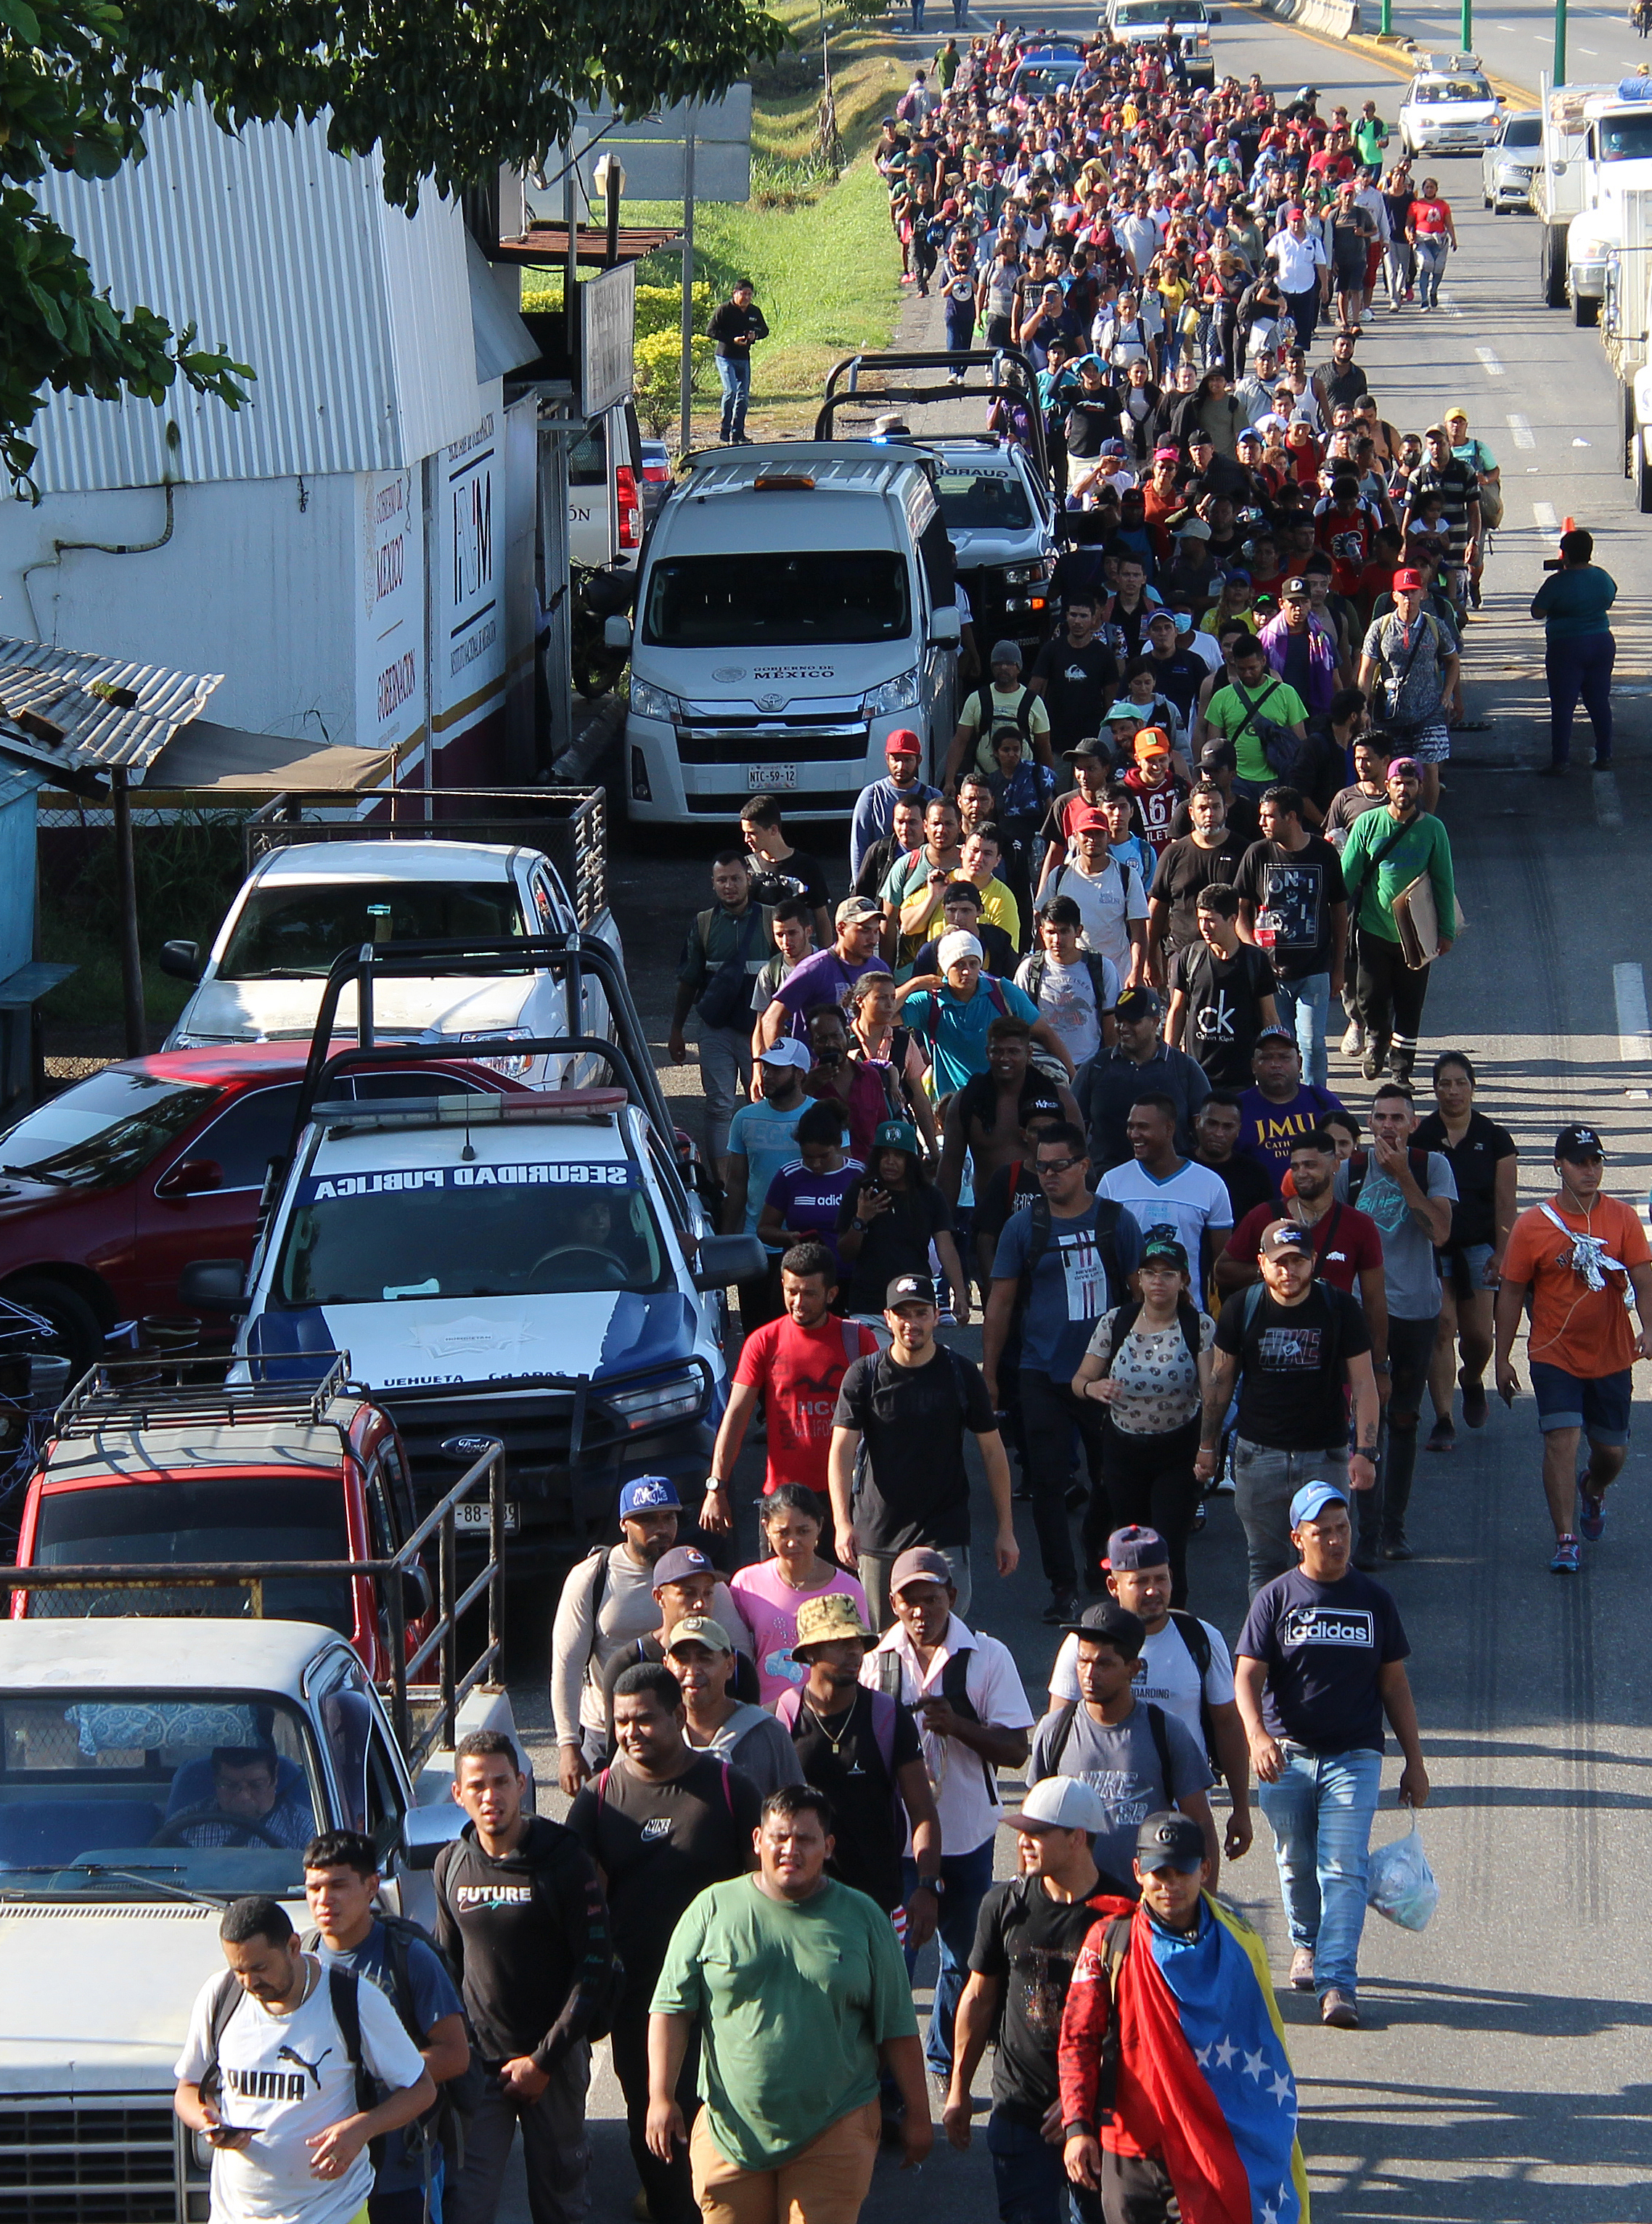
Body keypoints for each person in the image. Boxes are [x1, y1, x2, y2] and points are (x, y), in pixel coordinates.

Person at [645, 1785, 931, 2224]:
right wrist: (661, 2097)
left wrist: (918, 2114)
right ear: (758, 1840)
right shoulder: (711, 1909)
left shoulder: (864, 1916)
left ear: (828, 1847)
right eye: (779, 1837)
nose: (790, 1850)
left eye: (805, 1839)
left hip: (835, 2126)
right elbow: (671, 2009)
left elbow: (897, 2025)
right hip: (730, 2132)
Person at [568, 1664, 762, 2224]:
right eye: (621, 1721)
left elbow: (767, 1884)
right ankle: (674, 2209)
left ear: (679, 1716)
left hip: (726, 1995)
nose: (631, 1731)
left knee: (724, 2111)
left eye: (645, 1718)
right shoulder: (600, 1797)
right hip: (640, 2001)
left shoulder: (729, 1788)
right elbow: (572, 1894)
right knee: (651, 2116)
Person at [1235, 1480, 1428, 2028]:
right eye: (1323, 1532)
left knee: (1342, 1868)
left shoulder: (1374, 1600)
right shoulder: (1275, 1599)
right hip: (1286, 1756)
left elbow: (1395, 1684)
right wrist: (1256, 1737)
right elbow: (1246, 1676)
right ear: (1299, 1538)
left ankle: (1338, 1982)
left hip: (1355, 1757)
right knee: (1295, 1859)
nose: (1336, 1541)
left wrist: (1414, 1761)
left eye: (1343, 1529)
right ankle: (1307, 1943)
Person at [1058, 1812, 1308, 2224]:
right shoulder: (1108, 1940)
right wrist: (1076, 2125)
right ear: (1138, 1871)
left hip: (1206, 2149)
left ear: (1205, 1870)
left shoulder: (1241, 1944)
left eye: (1181, 1872)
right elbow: (1078, 2038)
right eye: (1158, 1873)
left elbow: (1262, 2049)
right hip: (1130, 2151)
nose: (1169, 1885)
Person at [862, 1548, 1036, 2076]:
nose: (920, 1612)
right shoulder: (875, 1662)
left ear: (952, 1598)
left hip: (966, 1834)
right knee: (897, 1963)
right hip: (900, 1841)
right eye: (909, 1601)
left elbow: (1016, 1751)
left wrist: (959, 1726)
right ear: (893, 1604)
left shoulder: (988, 1657)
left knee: (965, 1957)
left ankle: (944, 2060)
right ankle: (893, 2075)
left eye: (931, 1599)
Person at [433, 1733, 614, 2224]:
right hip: (480, 2068)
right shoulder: (451, 1864)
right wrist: (456, 2053)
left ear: (521, 1783)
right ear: (459, 1795)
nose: (490, 1796)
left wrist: (545, 2060)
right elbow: (446, 1967)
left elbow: (594, 1965)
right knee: (465, 2207)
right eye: (477, 1786)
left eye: (500, 1783)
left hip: (552, 2064)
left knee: (561, 2207)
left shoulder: (563, 1858)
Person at [175, 1896, 434, 2224]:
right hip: (235, 2214)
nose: (250, 1983)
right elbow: (187, 2088)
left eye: (260, 1968)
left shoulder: (354, 1998)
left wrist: (363, 2128)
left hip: (332, 2212)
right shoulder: (220, 1995)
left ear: (293, 1946)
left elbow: (422, 2089)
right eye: (238, 1970)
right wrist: (208, 2120)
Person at [983, 1124, 1145, 1620]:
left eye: (1057, 1166)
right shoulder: (1024, 1227)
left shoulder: (1118, 1221)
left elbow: (1140, 1296)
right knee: (1049, 1485)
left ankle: (1100, 1557)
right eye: (1040, 1167)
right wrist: (989, 1375)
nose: (1048, 1176)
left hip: (1105, 1380)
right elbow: (1001, 1303)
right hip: (1041, 1374)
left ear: (1083, 1165)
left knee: (1112, 1480)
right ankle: (1064, 1586)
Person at [945, 1778, 1121, 2224]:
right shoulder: (1004, 1904)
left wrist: (1082, 2101)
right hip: (1019, 2110)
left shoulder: (1123, 1914)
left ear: (1077, 1838)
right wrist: (958, 2091)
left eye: (1038, 1832)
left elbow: (1138, 2025)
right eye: (1022, 1830)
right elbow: (978, 1999)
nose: (1023, 1842)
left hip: (1101, 2115)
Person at [1494, 1123, 1652, 1573]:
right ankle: (1565, 1539)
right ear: (1559, 1167)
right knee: (1561, 1441)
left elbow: (1642, 1278)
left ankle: (1594, 1489)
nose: (1590, 1170)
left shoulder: (1621, 1218)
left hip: (1611, 1354)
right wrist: (1502, 1357)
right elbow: (1510, 1291)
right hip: (1554, 1354)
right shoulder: (1531, 1226)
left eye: (1596, 1161)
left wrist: (1650, 1328)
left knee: (1611, 1452)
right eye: (1580, 1162)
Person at [1047, 1526, 1254, 1857]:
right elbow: (1057, 1732)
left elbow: (1227, 1724)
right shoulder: (1080, 1646)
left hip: (1178, 1822)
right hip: (1095, 1825)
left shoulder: (1201, 1639)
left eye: (1161, 1579)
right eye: (1140, 1582)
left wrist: (1241, 1809)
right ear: (1114, 1586)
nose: (1153, 1591)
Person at [1201, 1219, 1381, 1595]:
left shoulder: (1340, 1307)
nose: (1289, 1271)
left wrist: (1365, 1452)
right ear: (1262, 1262)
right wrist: (1207, 1446)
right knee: (1264, 1563)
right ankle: (1268, 1650)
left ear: (1314, 1261)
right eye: (1280, 1262)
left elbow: (1363, 1382)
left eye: (1298, 1261)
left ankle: (1321, 1646)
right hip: (1258, 1457)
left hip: (1324, 1455)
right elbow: (1220, 1383)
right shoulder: (1240, 1307)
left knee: (1329, 1563)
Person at [830, 1270, 1017, 1625]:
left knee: (945, 1636)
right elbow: (841, 1451)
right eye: (902, 1314)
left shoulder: (961, 1373)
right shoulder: (863, 1375)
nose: (911, 1323)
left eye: (920, 1313)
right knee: (883, 1648)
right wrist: (842, 1521)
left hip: (944, 1532)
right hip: (879, 1532)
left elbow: (993, 1452)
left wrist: (1006, 1529)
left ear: (935, 1315)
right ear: (887, 1318)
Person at [304, 1831, 469, 2224]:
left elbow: (454, 2054)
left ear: (371, 1886)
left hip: (401, 2169)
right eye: (313, 1888)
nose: (324, 1900)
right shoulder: (304, 1963)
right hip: (327, 2178)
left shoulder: (409, 1957)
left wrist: (376, 2074)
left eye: (338, 1885)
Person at [552, 1479, 742, 1794]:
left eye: (669, 1517)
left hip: (692, 1728)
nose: (661, 1528)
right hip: (609, 1729)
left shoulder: (699, 1576)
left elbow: (737, 1651)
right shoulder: (593, 1577)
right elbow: (566, 1664)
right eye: (648, 1518)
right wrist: (568, 1744)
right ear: (624, 1524)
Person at [1333, 1087, 1455, 1566]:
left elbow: (1440, 1232)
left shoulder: (1432, 1167)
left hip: (1417, 1312)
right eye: (1380, 1117)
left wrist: (1405, 1177)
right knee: (1366, 1424)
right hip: (1363, 1315)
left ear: (1413, 1123)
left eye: (1397, 1118)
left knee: (1403, 1417)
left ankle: (1393, 1527)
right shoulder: (1352, 1171)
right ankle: (1366, 1530)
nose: (1388, 1126)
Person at [777, 1591, 943, 1938]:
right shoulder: (782, 1720)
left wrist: (927, 1886)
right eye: (839, 1643)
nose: (854, 1653)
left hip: (878, 1905)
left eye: (858, 1642)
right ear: (810, 1653)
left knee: (883, 1994)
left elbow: (922, 1810)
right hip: (801, 1910)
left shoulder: (888, 1716)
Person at [1027, 1601, 1218, 1889]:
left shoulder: (1166, 1732)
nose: (1090, 1675)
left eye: (1104, 1664)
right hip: (1072, 1910)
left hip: (1142, 1908)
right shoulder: (1055, 1730)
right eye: (1083, 1662)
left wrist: (1205, 1907)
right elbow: (1032, 1825)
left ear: (1133, 1669)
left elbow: (1200, 1824)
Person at [1068, 1240, 1216, 1604]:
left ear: (1183, 1280)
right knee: (1131, 1540)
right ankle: (1131, 1619)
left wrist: (1207, 1448)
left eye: (1168, 1274)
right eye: (1150, 1273)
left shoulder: (1199, 1326)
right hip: (1124, 1447)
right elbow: (1078, 1380)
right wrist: (1094, 1387)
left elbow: (1212, 1395)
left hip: (1177, 1448)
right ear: (1139, 1279)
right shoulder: (1116, 1321)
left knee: (1168, 1541)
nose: (1158, 1282)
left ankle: (1175, 1620)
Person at [703, 1243, 879, 1541]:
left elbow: (881, 1417)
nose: (798, 1302)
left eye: (810, 1293)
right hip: (784, 1501)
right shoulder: (763, 1342)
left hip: (848, 1500)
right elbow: (736, 1416)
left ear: (831, 1295)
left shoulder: (858, 1340)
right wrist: (716, 1487)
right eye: (792, 1291)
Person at [1218, 1130, 1389, 1372]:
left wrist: (1380, 1365)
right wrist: (1274, 1271)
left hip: (1334, 1355)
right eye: (1295, 1166)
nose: (1301, 1174)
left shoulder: (1359, 1225)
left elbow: (1374, 1301)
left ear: (1335, 1164)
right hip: (1271, 1349)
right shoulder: (1265, 1216)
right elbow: (1223, 1271)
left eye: (1310, 1165)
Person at [1415, 1054, 1518, 1454]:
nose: (1453, 1091)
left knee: (1478, 1337)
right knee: (1442, 1326)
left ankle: (1472, 1378)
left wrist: (1504, 1253)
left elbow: (1505, 1202)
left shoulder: (1494, 1138)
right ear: (1435, 1089)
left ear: (1473, 1087)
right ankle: (1444, 1419)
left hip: (1479, 1249)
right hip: (1432, 1249)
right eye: (1445, 1084)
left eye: (1460, 1083)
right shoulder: (1422, 1137)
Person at [1338, 755, 1455, 1087]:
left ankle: (1401, 1071)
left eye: (1411, 783)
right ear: (1387, 786)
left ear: (1420, 787)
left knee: (1409, 1003)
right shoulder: (1368, 824)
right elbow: (1348, 875)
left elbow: (1444, 882)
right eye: (1399, 783)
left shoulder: (1433, 829)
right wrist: (1332, 914)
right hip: (1373, 929)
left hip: (1417, 936)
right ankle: (1377, 1039)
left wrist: (1446, 932)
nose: (1404, 789)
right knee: (1368, 995)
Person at [1234, 782, 1348, 1088]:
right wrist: (1253, 953)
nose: (1261, 823)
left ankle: (1316, 1102)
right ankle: (1282, 1099)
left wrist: (1338, 967)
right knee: (1279, 1047)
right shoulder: (1257, 853)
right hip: (1271, 975)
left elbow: (1339, 912)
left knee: (1312, 1044)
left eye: (1269, 816)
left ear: (1292, 817)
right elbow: (1240, 912)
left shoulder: (1323, 853)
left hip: (1314, 969)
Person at [670, 854, 774, 1174]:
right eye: (722, 880)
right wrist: (677, 1030)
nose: (729, 886)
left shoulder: (773, 921)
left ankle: (764, 1175)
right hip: (716, 1030)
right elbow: (689, 980)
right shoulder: (703, 924)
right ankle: (724, 1186)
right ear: (713, 884)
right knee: (718, 1107)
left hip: (759, 1031)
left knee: (764, 1104)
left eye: (735, 879)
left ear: (749, 880)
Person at [898, 931, 1071, 1100]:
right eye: (959, 965)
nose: (967, 971)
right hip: (953, 1107)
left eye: (973, 964)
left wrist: (1075, 1078)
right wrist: (915, 984)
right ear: (944, 968)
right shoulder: (929, 1002)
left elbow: (1046, 1033)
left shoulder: (1003, 993)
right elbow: (882, 1015)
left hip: (1005, 1102)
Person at [938, 1016, 1083, 1215]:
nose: (1004, 1058)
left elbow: (1081, 1161)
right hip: (988, 1216)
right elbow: (950, 1167)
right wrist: (942, 1229)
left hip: (1049, 1214)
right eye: (997, 1051)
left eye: (1013, 1052)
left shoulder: (1059, 1099)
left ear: (1028, 1053)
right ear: (987, 1053)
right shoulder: (967, 1100)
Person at [836, 1119, 968, 1321]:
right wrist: (861, 1219)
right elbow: (845, 1253)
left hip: (915, 1303)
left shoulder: (930, 1196)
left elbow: (946, 1247)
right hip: (869, 1305)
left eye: (898, 1155)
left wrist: (960, 1292)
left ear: (912, 1160)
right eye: (885, 1154)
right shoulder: (861, 1191)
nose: (890, 1162)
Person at [1098, 1095, 1234, 1288]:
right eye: (1131, 1126)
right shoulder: (1111, 1182)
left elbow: (1220, 1263)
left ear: (1169, 1128)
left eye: (1143, 1127)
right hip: (1130, 1311)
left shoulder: (1210, 1183)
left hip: (1189, 1309)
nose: (1134, 1134)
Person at [724, 1038, 814, 1330]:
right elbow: (737, 1182)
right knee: (757, 1332)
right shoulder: (744, 1119)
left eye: (777, 1070)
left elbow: (839, 1177)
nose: (767, 1076)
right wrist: (726, 1243)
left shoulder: (820, 1117)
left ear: (800, 1073)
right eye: (765, 1068)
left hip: (805, 1243)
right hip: (757, 1247)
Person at [1074, 986, 1211, 1174]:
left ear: (1156, 1022)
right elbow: (1072, 1129)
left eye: (1133, 1021)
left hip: (1169, 1183)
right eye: (1119, 1020)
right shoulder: (1095, 1067)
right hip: (1106, 1185)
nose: (1123, 1027)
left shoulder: (1184, 1068)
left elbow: (1205, 1130)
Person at [664, 1616, 806, 1799]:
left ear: (730, 1665)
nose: (692, 1671)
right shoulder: (656, 1730)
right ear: (666, 1665)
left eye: (705, 1659)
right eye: (682, 1661)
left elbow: (796, 1810)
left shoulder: (767, 1733)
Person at [1356, 568, 1457, 815]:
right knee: (1395, 770)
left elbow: (1453, 661)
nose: (1408, 598)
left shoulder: (1436, 627)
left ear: (1422, 594)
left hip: (1428, 709)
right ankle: (1398, 817)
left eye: (1413, 592)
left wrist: (1447, 694)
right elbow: (1366, 670)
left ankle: (1429, 820)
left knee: (1430, 766)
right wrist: (1362, 708)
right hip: (1391, 713)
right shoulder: (1380, 628)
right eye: (1403, 593)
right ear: (1394, 596)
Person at [1164, 885, 1280, 1092]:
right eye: (1200, 919)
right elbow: (1178, 1009)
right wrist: (1167, 1059)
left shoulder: (1255, 961)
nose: (1204, 927)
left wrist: (1273, 1060)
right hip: (1196, 1077)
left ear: (1232, 919)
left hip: (1241, 1078)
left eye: (1211, 920)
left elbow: (1269, 1017)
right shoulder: (1191, 957)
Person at [1531, 526, 1618, 774]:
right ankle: (1605, 755)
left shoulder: (1557, 582)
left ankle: (1560, 760)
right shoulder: (1602, 576)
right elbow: (1610, 598)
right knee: (1599, 701)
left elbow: (1538, 612)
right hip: (1601, 640)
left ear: (1565, 555)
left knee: (1563, 705)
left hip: (1566, 645)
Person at [1144, 780, 1247, 982]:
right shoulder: (1174, 853)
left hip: (1232, 957)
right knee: (1179, 1013)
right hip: (1183, 955)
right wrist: (1149, 958)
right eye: (1203, 808)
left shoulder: (1243, 851)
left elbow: (1252, 907)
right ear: (1191, 813)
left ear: (1225, 810)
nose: (1210, 814)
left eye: (1216, 807)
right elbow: (1157, 909)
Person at [757, 898, 889, 1051]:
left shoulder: (880, 969)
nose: (873, 939)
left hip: (863, 1069)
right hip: (818, 1069)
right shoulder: (814, 968)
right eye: (864, 930)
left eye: (876, 931)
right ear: (841, 928)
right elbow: (771, 1019)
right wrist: (785, 1064)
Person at [1035, 807, 1150, 983]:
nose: (1092, 839)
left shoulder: (1126, 876)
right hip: (1069, 975)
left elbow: (1139, 931)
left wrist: (1136, 971)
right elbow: (1041, 920)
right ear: (1075, 837)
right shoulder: (1059, 875)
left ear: (1108, 837)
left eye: (1098, 833)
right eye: (1086, 833)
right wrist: (1040, 964)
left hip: (1117, 974)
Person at [1194, 631, 1309, 803]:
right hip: (1237, 780)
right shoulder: (1222, 697)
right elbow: (1214, 743)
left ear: (1263, 661)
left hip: (1277, 777)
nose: (1247, 674)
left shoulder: (1286, 693)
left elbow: (1300, 740)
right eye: (1242, 669)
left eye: (1252, 668)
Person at [1015, 895, 1120, 1071]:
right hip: (1043, 1067)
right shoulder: (1029, 969)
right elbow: (1018, 1023)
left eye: (1064, 932)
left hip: (1089, 1065)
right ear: (1042, 932)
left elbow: (1110, 1024)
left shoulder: (1102, 968)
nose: (1057, 940)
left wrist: (1110, 1066)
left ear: (1078, 931)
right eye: (1051, 932)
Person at [1233, 1025, 1345, 1185]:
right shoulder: (1237, 1108)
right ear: (1253, 1066)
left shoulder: (1321, 1100)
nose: (1275, 1064)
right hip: (1260, 1206)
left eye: (1284, 1057)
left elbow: (1351, 1148)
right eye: (1266, 1058)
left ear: (1299, 1062)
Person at [946, 639, 1056, 785]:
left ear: (1019, 668)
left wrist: (1048, 785)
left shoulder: (1034, 702)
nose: (1003, 667)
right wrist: (949, 781)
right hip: (984, 783)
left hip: (1023, 785)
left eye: (1010, 663)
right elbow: (960, 741)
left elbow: (1043, 747)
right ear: (992, 667)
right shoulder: (977, 698)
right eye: (998, 663)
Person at [1029, 590, 1121, 755]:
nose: (1077, 621)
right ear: (1066, 616)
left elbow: (1111, 701)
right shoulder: (1051, 649)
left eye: (1084, 616)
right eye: (1073, 615)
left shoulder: (1104, 653)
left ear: (1094, 619)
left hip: (1092, 741)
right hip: (1055, 740)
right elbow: (1033, 691)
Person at [180, 1744, 317, 1849]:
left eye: (257, 1785)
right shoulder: (184, 1826)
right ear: (215, 1780)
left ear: (274, 1778)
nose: (243, 1797)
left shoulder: (304, 1829)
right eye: (230, 1785)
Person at [850, 730, 939, 885]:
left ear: (919, 760)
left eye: (908, 760)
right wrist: (861, 889)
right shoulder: (871, 796)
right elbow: (859, 846)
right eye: (896, 759)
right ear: (887, 759)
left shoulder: (933, 797)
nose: (901, 766)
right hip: (880, 881)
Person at [740, 795, 832, 944]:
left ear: (774, 830)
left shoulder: (806, 866)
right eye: (745, 833)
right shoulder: (745, 867)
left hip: (796, 955)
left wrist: (827, 960)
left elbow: (821, 918)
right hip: (757, 955)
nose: (746, 839)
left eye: (753, 833)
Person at [1191, 1091, 1278, 1224]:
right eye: (1212, 1124)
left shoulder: (1255, 1174)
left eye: (1228, 1127)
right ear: (1198, 1122)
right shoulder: (1177, 1167)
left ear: (1239, 1130)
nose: (1219, 1133)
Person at [708, 279, 768, 443]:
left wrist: (755, 336)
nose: (747, 298)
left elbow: (764, 330)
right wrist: (731, 339)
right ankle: (725, 429)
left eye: (750, 294)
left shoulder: (754, 312)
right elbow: (711, 331)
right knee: (731, 391)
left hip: (743, 358)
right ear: (735, 294)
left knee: (743, 396)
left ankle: (738, 432)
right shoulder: (724, 310)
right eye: (744, 294)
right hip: (725, 356)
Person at [1404, 178, 1455, 311]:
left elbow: (1448, 223)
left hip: (1439, 241)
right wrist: (1409, 234)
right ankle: (1424, 300)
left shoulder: (1443, 205)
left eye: (1432, 187)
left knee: (1438, 269)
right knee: (1426, 267)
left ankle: (1433, 291)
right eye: (1427, 187)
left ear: (1436, 189)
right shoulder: (1416, 205)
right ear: (1423, 189)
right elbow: (1408, 224)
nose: (1429, 189)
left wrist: (1454, 239)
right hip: (1423, 240)